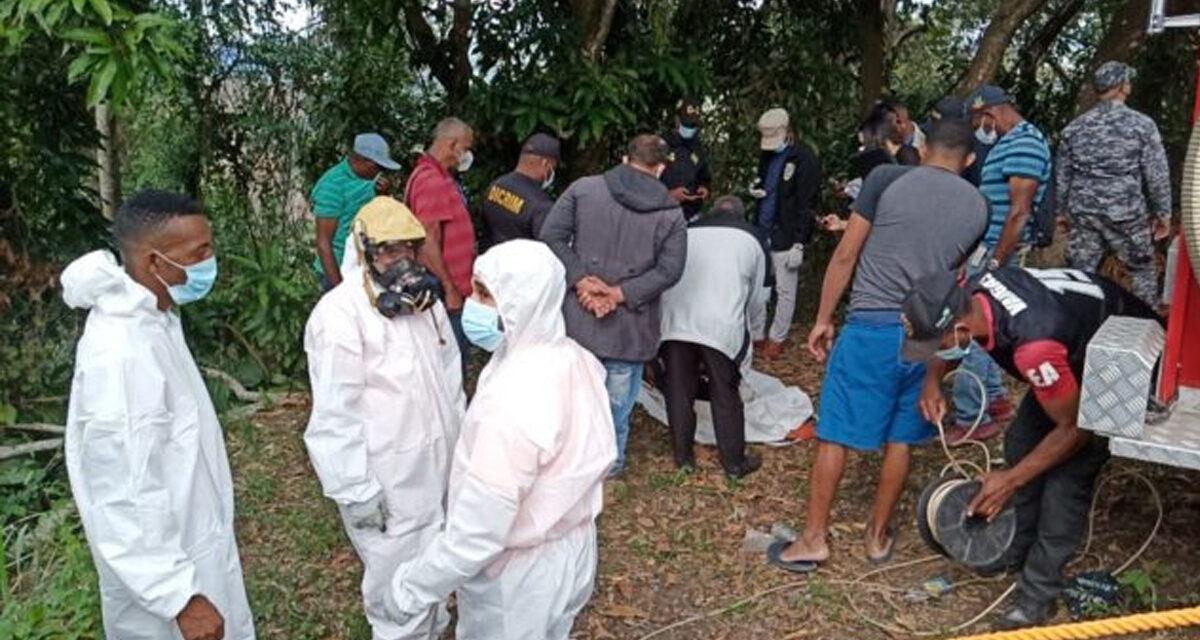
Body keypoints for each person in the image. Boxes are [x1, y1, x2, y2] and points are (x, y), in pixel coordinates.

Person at [765, 119, 986, 573]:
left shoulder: (886, 179)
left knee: (835, 434)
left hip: (871, 324)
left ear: (922, 147)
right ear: (968, 160)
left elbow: (847, 253)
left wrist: (823, 318)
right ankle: (877, 536)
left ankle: (813, 539)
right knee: (901, 438)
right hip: (927, 332)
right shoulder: (979, 207)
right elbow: (951, 276)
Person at [906, 266, 1161, 630]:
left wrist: (1010, 481)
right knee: (1021, 443)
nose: (934, 352)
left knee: (1065, 481)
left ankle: (1038, 594)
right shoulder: (972, 293)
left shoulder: (1034, 347)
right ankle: (1014, 546)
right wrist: (932, 381)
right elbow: (948, 344)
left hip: (1121, 358)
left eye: (936, 345)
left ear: (960, 330)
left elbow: (1073, 432)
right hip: (1075, 345)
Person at [386, 240, 616, 639]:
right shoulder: (574, 359)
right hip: (573, 549)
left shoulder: (512, 400)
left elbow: (479, 530)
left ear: (522, 302)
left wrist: (412, 587)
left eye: (485, 294)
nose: (473, 303)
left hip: (518, 577)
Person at [61, 190, 254, 640]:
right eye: (198, 253)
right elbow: (123, 494)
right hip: (167, 588)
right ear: (153, 263)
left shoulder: (156, 318)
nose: (210, 261)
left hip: (191, 544)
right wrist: (179, 597)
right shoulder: (122, 354)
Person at [304, 197, 464, 639]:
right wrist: (355, 490)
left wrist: (464, 451)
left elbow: (451, 381)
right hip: (387, 476)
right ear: (364, 251)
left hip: (438, 465)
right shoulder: (339, 314)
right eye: (389, 251)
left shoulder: (424, 304)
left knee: (435, 569)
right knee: (396, 584)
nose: (403, 261)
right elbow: (335, 411)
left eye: (410, 250)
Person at [540, 134, 688, 476]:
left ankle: (566, 460)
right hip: (630, 325)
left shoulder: (585, 188)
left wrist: (581, 280)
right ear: (661, 168)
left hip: (579, 317)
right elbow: (671, 270)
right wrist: (621, 294)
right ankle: (610, 461)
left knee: (571, 395)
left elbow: (551, 235)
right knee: (616, 403)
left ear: (625, 159)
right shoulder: (671, 213)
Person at [951, 85, 1053, 441]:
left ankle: (971, 417)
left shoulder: (1024, 142)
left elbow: (1019, 212)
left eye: (979, 120)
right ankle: (994, 399)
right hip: (988, 248)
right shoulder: (1007, 143)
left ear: (990, 114)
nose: (979, 128)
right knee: (992, 329)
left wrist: (995, 260)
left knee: (973, 329)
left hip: (998, 251)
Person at [658, 195, 768, 477]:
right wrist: (755, 330)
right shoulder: (752, 238)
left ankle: (683, 458)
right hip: (721, 324)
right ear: (742, 216)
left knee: (679, 390)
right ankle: (733, 463)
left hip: (675, 319)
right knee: (725, 391)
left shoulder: (687, 230)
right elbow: (758, 295)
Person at [1060, 61, 1173, 307]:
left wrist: (1061, 212)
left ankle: (1078, 326)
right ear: (1122, 86)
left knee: (1080, 273)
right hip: (1125, 212)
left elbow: (1063, 176)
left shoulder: (1074, 128)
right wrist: (1163, 214)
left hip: (1084, 211)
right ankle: (1143, 322)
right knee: (1142, 268)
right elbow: (1157, 175)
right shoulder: (1142, 125)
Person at [749, 107, 822, 359]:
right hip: (763, 228)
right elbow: (764, 183)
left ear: (787, 131)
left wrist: (800, 241)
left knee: (785, 290)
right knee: (758, 287)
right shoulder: (767, 155)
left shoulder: (805, 159)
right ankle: (756, 334)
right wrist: (756, 190)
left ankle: (776, 338)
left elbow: (807, 203)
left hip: (787, 234)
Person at [406, 117, 477, 373]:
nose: (466, 155)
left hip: (450, 287)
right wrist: (450, 288)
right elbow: (427, 241)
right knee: (450, 367)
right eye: (466, 148)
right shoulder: (430, 180)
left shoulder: (438, 176)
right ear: (453, 144)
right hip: (444, 291)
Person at [312, 133, 399, 291]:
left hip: (364, 267)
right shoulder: (332, 186)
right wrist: (340, 290)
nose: (380, 172)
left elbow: (382, 217)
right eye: (377, 167)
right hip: (336, 269)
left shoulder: (373, 180)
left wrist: (384, 194)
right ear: (363, 161)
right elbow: (323, 243)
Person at [481, 133, 560, 248]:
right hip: (522, 264)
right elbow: (550, 247)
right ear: (545, 163)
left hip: (491, 261)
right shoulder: (541, 205)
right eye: (553, 167)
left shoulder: (495, 185)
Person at [660, 98, 712, 221]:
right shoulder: (660, 146)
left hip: (690, 216)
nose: (690, 128)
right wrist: (669, 196)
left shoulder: (698, 147)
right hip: (662, 214)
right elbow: (644, 184)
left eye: (693, 125)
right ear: (677, 120)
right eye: (687, 124)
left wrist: (705, 189)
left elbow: (704, 177)